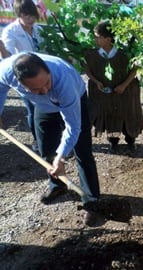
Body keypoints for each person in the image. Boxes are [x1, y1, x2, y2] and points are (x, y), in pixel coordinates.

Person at [0, 52, 102, 226]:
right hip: (44, 108)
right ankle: (58, 186)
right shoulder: (6, 71)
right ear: (20, 83)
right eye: (36, 89)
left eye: (47, 83)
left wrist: (61, 156)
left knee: (82, 152)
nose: (45, 90)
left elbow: (73, 127)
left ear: (48, 71)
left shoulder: (63, 81)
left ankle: (92, 202)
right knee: (46, 150)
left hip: (74, 102)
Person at [84, 21, 143, 151]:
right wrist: (96, 82)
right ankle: (113, 140)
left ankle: (130, 139)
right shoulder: (92, 54)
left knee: (128, 114)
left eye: (98, 37)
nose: (95, 39)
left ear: (108, 39)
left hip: (126, 91)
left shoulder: (125, 53)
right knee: (110, 116)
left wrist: (124, 85)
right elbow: (87, 69)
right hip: (105, 93)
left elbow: (135, 69)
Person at [0, 0, 43, 152]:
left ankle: (50, 136)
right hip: (25, 76)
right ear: (19, 15)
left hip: (43, 72)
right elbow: (8, 58)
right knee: (33, 107)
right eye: (26, 16)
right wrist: (3, 50)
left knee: (47, 105)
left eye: (33, 15)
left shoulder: (37, 28)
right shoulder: (11, 32)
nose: (30, 19)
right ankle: (38, 139)